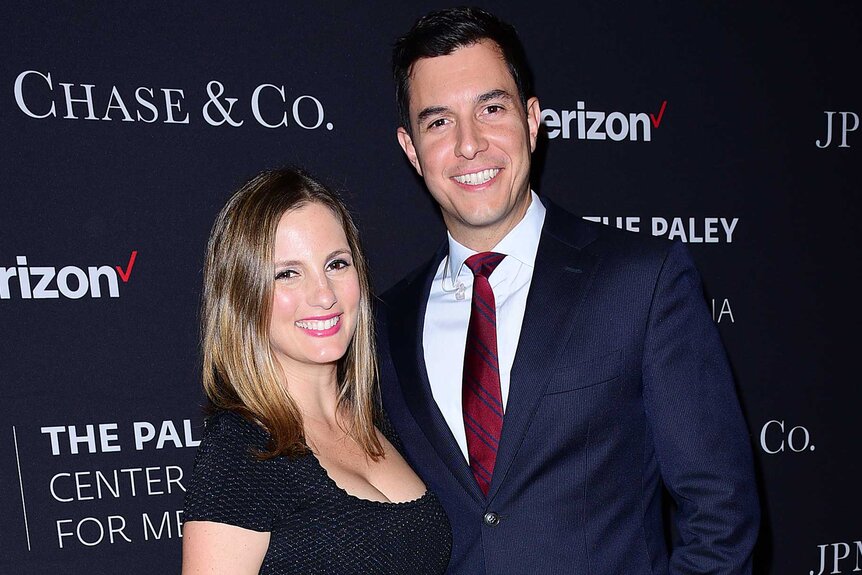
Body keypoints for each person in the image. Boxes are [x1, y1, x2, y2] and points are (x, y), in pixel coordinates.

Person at [377, 7, 759, 575]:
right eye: (438, 122)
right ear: (411, 149)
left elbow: (721, 518)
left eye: (492, 108)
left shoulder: (643, 280)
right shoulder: (386, 321)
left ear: (532, 120)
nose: (469, 144)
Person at [182, 168, 451, 574]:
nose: (324, 294)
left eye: (336, 264)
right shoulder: (243, 450)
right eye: (287, 273)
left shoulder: (383, 419)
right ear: (242, 295)